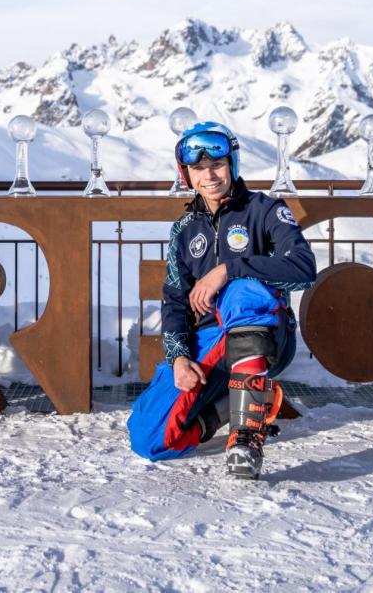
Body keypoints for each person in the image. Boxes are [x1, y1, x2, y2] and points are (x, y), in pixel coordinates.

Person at [126, 121, 317, 479]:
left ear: (232, 164)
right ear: (187, 175)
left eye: (217, 165)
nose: (209, 175)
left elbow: (304, 268)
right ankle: (239, 404)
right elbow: (175, 302)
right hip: (211, 341)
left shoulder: (265, 210)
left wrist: (229, 270)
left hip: (267, 333)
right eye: (198, 169)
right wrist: (180, 358)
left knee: (239, 291)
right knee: (149, 438)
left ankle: (245, 438)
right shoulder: (184, 230)